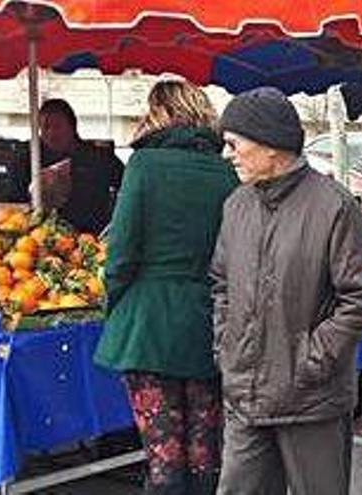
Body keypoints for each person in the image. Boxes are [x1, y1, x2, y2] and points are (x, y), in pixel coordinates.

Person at [211, 87, 362, 495]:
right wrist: (227, 347)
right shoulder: (236, 205)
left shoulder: (334, 207)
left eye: (234, 144)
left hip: (310, 399)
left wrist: (310, 360)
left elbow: (360, 301)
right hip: (246, 394)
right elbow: (221, 284)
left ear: (271, 146)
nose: (227, 154)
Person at [93, 80, 239, 494]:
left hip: (148, 326)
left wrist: (117, 308)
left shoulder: (145, 165)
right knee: (205, 450)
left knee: (163, 456)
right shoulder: (227, 172)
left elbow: (120, 254)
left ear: (158, 113)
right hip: (207, 324)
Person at [24, 99, 125, 233]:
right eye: (45, 127)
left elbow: (128, 186)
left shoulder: (99, 157)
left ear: (72, 126)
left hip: (92, 237)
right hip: (41, 238)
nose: (51, 133)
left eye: (57, 126)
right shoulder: (33, 159)